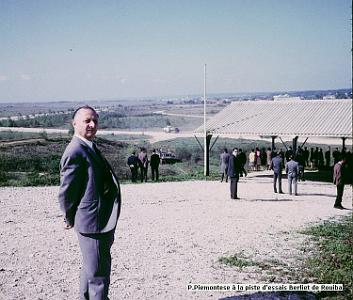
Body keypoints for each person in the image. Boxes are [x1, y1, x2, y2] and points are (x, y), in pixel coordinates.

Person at [58, 105, 121, 300]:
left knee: (91, 268)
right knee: (99, 276)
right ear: (74, 123)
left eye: (95, 120)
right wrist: (69, 216)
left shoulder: (87, 145)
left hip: (98, 220)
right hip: (93, 223)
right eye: (87, 121)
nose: (92, 125)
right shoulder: (75, 150)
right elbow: (67, 191)